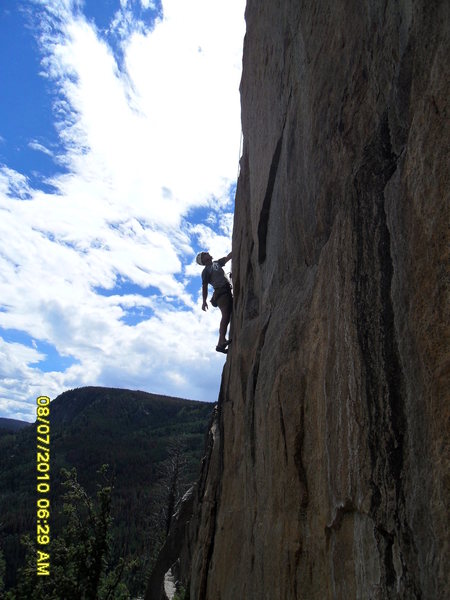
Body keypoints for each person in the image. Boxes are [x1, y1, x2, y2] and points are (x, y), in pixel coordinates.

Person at [196, 250, 232, 354]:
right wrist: (204, 301)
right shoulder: (206, 271)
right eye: (205, 254)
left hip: (226, 291)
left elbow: (227, 257)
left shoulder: (216, 263)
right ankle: (221, 343)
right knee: (225, 315)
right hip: (221, 294)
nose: (207, 253)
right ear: (203, 260)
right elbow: (204, 287)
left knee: (227, 316)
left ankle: (222, 340)